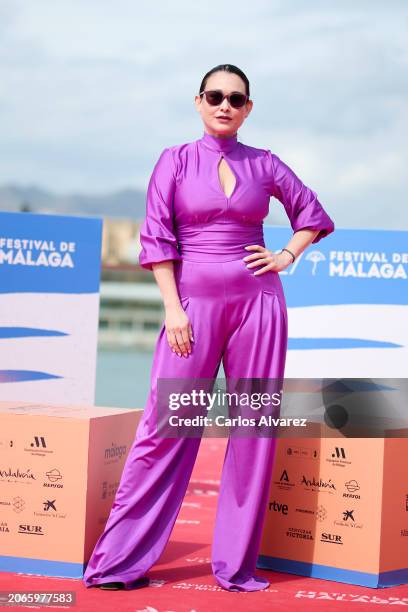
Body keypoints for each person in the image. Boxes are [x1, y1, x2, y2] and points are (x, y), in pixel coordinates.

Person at [83, 63, 335, 593]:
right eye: (215, 95)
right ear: (198, 102)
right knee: (166, 426)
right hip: (191, 307)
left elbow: (311, 214)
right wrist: (173, 310)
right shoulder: (174, 161)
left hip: (259, 305)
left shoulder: (265, 164)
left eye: (236, 99)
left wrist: (287, 254)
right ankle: (118, 563)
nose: (225, 105)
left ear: (248, 109)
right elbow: (156, 240)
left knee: (252, 431)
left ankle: (235, 567)